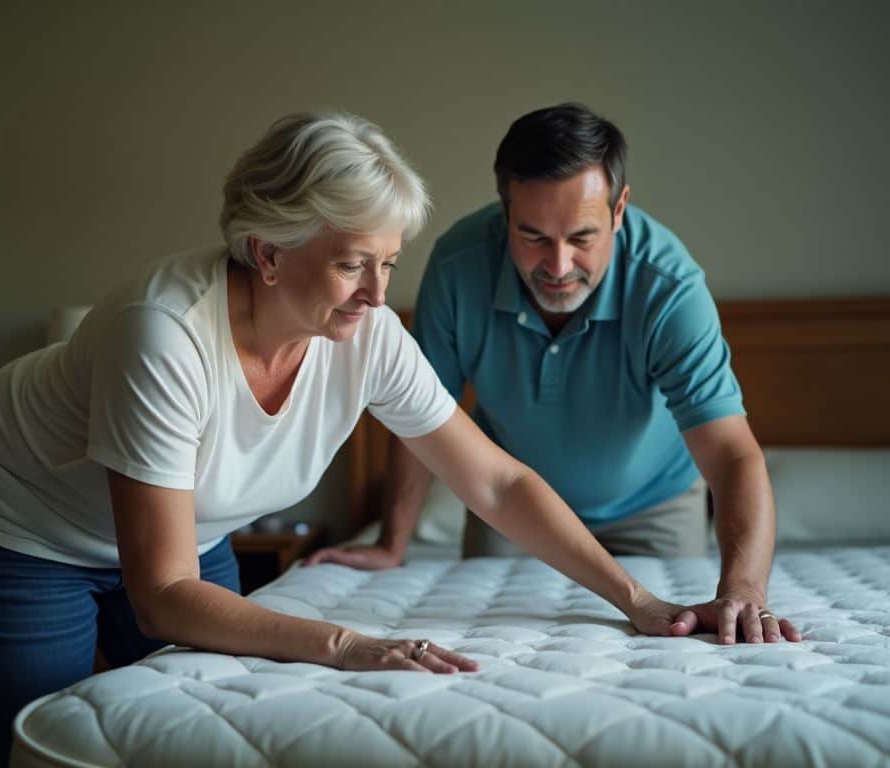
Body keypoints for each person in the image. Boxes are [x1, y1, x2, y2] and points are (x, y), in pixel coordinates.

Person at [0, 111, 748, 767]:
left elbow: (494, 483)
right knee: (30, 745)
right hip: (19, 527)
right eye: (355, 263)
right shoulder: (163, 334)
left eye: (390, 264)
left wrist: (637, 602)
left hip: (184, 535)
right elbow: (164, 590)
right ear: (268, 252)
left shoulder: (370, 335)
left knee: (198, 729)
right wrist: (348, 644)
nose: (375, 295)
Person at [306, 103, 801, 648]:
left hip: (652, 507)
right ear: (504, 211)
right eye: (534, 236)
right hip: (510, 512)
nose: (559, 265)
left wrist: (745, 588)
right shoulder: (458, 268)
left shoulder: (668, 287)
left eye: (582, 237)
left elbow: (732, 453)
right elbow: (417, 413)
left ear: (619, 210)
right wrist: (392, 543)